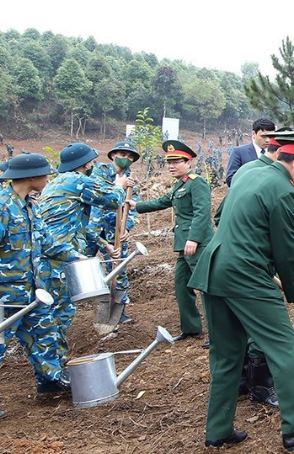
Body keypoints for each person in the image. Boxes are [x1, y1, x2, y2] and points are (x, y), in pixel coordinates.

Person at [188, 136, 294, 450]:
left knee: (227, 354)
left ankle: (218, 430)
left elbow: (240, 223)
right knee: (283, 346)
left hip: (214, 269)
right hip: (246, 276)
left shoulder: (248, 173)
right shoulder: (285, 191)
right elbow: (284, 250)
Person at [0, 154, 86, 421]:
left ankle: (50, 380)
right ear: (31, 177)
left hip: (31, 291)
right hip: (1, 295)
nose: (49, 179)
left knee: (45, 333)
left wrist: (77, 257)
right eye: (45, 175)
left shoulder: (29, 206)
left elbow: (47, 242)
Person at [36, 143, 128, 360]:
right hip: (61, 258)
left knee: (52, 311)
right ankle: (53, 366)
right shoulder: (76, 181)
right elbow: (113, 200)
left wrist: (103, 243)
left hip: (49, 255)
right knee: (60, 313)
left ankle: (52, 361)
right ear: (87, 164)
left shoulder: (55, 183)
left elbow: (75, 224)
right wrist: (119, 184)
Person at [133, 140, 213, 343]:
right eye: (169, 162)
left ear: (188, 163)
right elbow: (163, 202)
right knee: (182, 286)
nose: (171, 165)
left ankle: (219, 334)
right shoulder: (180, 184)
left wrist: (194, 238)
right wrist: (136, 206)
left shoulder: (197, 183)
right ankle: (192, 328)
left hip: (198, 244)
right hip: (183, 246)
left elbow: (202, 213)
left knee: (207, 287)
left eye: (177, 161)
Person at [87, 141, 141, 325]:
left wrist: (127, 227)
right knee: (79, 263)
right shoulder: (99, 171)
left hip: (115, 231)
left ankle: (118, 310)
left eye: (130, 157)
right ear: (113, 155)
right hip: (91, 229)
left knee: (118, 269)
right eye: (123, 155)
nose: (126, 159)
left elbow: (132, 208)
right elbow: (97, 194)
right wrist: (119, 185)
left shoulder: (133, 182)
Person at [225, 118, 276, 186]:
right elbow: (230, 179)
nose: (267, 140)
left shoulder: (277, 154)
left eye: (271, 137)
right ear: (253, 134)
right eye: (263, 136)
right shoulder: (239, 152)